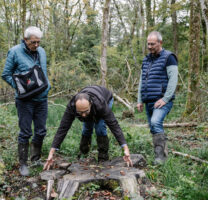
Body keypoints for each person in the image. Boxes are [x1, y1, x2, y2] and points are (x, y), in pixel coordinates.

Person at [43, 85, 133, 170]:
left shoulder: (100, 104)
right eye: (80, 112)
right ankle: (83, 152)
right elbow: (63, 128)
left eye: (85, 111)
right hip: (91, 102)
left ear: (90, 104)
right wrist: (51, 152)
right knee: (87, 127)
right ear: (75, 106)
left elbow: (114, 125)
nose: (83, 115)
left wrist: (125, 148)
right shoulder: (71, 106)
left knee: (100, 127)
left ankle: (103, 156)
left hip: (106, 97)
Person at [2, 26, 50, 176]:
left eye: (38, 42)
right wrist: (19, 87)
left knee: (41, 130)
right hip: (25, 101)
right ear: (25, 40)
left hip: (42, 99)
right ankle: (23, 164)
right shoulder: (15, 51)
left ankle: (35, 159)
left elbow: (44, 72)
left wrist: (48, 86)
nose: (36, 45)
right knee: (25, 132)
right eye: (33, 42)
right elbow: (6, 74)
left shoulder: (41, 52)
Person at [137, 31, 178, 165]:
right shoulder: (146, 59)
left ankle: (161, 158)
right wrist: (139, 100)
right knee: (153, 127)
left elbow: (173, 79)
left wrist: (166, 99)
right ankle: (161, 153)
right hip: (148, 100)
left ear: (160, 43)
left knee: (155, 122)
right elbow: (142, 81)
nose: (149, 46)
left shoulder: (169, 57)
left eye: (152, 44)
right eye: (148, 44)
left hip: (161, 100)